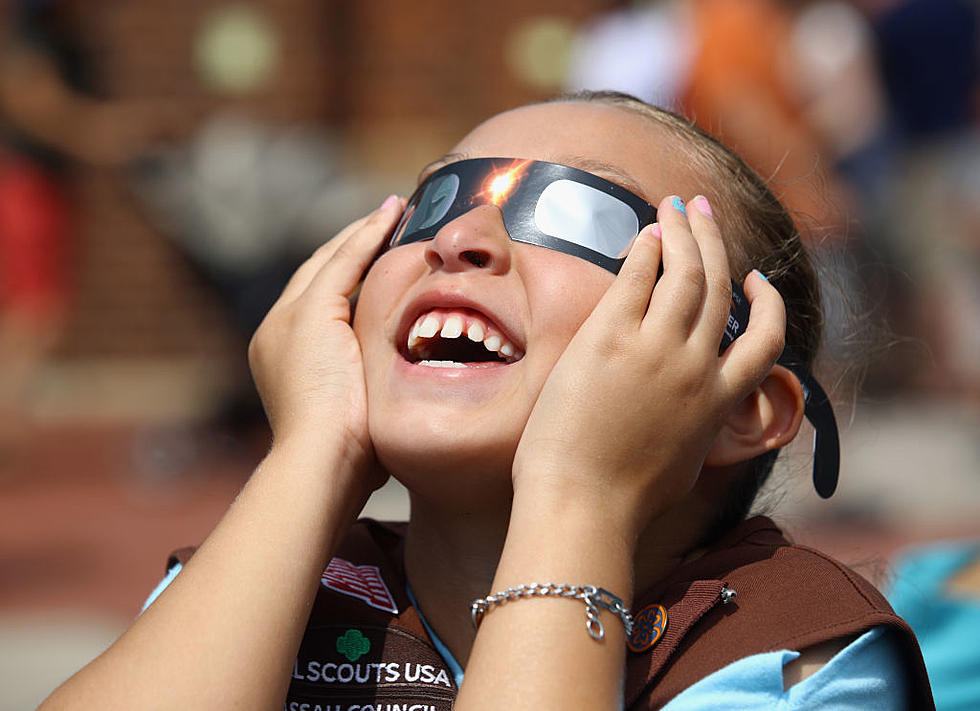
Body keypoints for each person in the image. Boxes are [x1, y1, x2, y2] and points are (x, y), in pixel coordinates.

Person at [40, 91, 933, 709]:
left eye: (577, 215)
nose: (461, 239)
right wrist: (308, 457)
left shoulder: (797, 651)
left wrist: (579, 494)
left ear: (742, 403)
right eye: (432, 204)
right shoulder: (267, 579)